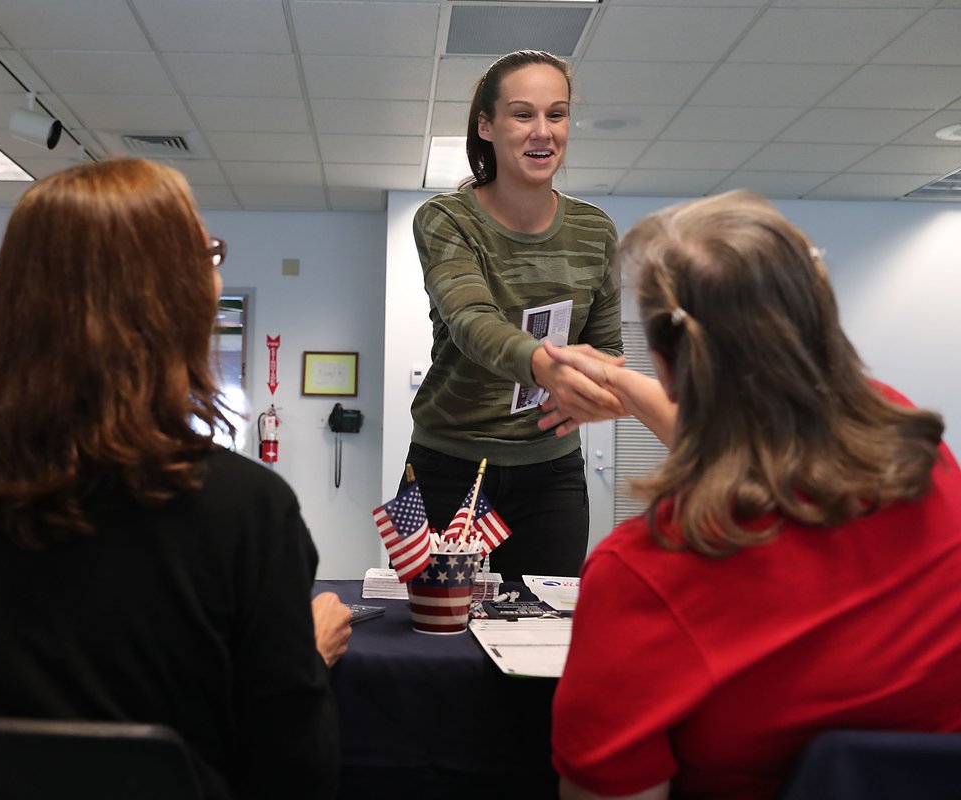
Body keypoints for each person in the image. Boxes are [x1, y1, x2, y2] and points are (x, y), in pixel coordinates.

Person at [0, 159, 340, 800]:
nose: (216, 270)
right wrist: (306, 656)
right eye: (204, 254)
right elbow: (292, 771)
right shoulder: (245, 508)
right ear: (172, 297)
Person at [546, 190, 961, 800]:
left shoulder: (645, 574)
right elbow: (759, 421)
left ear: (663, 359)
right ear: (820, 318)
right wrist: (625, 385)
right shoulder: (920, 454)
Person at [402, 49, 624, 581]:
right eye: (523, 114)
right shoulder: (445, 219)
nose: (543, 131)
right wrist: (547, 365)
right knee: (438, 635)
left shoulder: (596, 231)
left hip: (551, 471)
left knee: (543, 641)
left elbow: (609, 349)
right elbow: (471, 321)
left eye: (557, 114)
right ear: (487, 125)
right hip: (447, 464)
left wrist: (591, 394)